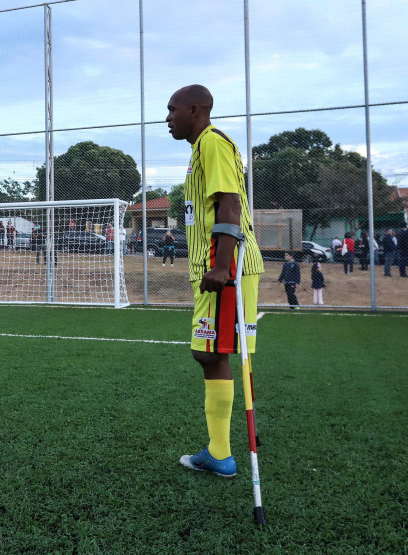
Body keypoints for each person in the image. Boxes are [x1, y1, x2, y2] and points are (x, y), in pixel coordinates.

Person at [167, 84, 264, 478]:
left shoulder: (213, 142)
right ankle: (217, 450)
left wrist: (222, 266)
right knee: (210, 352)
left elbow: (230, 201)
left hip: (223, 267)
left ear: (196, 109)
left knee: (210, 352)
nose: (168, 118)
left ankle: (220, 453)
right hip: (212, 267)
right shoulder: (199, 150)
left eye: (172, 110)